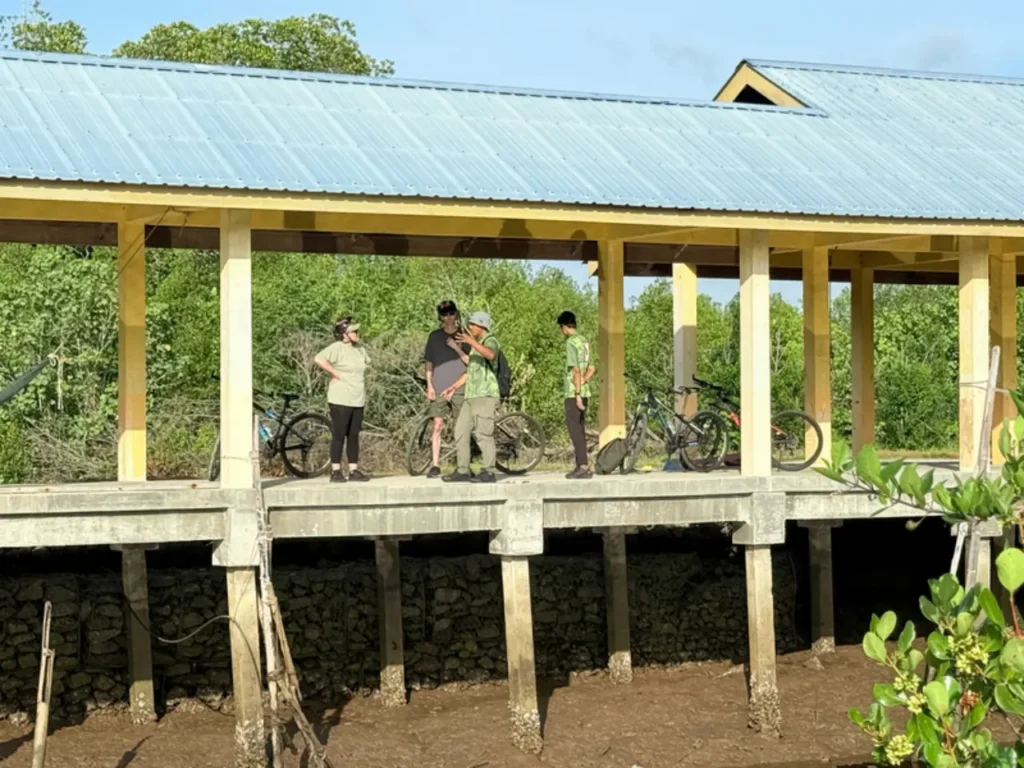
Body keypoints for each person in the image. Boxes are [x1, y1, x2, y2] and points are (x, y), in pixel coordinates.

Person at [442, 311, 500, 484]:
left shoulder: (490, 340)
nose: (470, 327)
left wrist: (471, 341)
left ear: (481, 325)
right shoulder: (476, 345)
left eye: (473, 324)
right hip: (471, 396)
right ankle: (463, 470)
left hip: (485, 395)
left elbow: (491, 355)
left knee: (483, 434)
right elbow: (470, 372)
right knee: (460, 431)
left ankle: (489, 471)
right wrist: (453, 386)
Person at [314, 316, 370, 483]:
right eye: (353, 331)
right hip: (340, 398)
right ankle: (336, 470)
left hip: (357, 398)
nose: (356, 333)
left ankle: (353, 470)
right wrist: (335, 373)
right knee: (339, 434)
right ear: (344, 334)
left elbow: (366, 363)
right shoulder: (336, 348)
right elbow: (318, 359)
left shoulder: (359, 349)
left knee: (353, 434)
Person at [423, 300, 469, 478]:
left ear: (456, 315)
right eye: (444, 314)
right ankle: (435, 464)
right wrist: (429, 385)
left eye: (451, 313)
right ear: (440, 317)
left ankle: (462, 465)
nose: (448, 317)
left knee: (461, 427)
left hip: (460, 387)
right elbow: (429, 362)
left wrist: (456, 347)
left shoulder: (464, 335)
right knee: (437, 425)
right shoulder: (434, 336)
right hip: (439, 386)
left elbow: (470, 362)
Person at [558, 311, 596, 479]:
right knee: (580, 429)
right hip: (585, 390)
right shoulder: (584, 341)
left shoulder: (571, 342)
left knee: (575, 431)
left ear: (564, 327)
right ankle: (583, 463)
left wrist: (577, 392)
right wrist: (584, 381)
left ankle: (582, 465)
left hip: (574, 393)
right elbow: (591, 368)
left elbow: (575, 369)